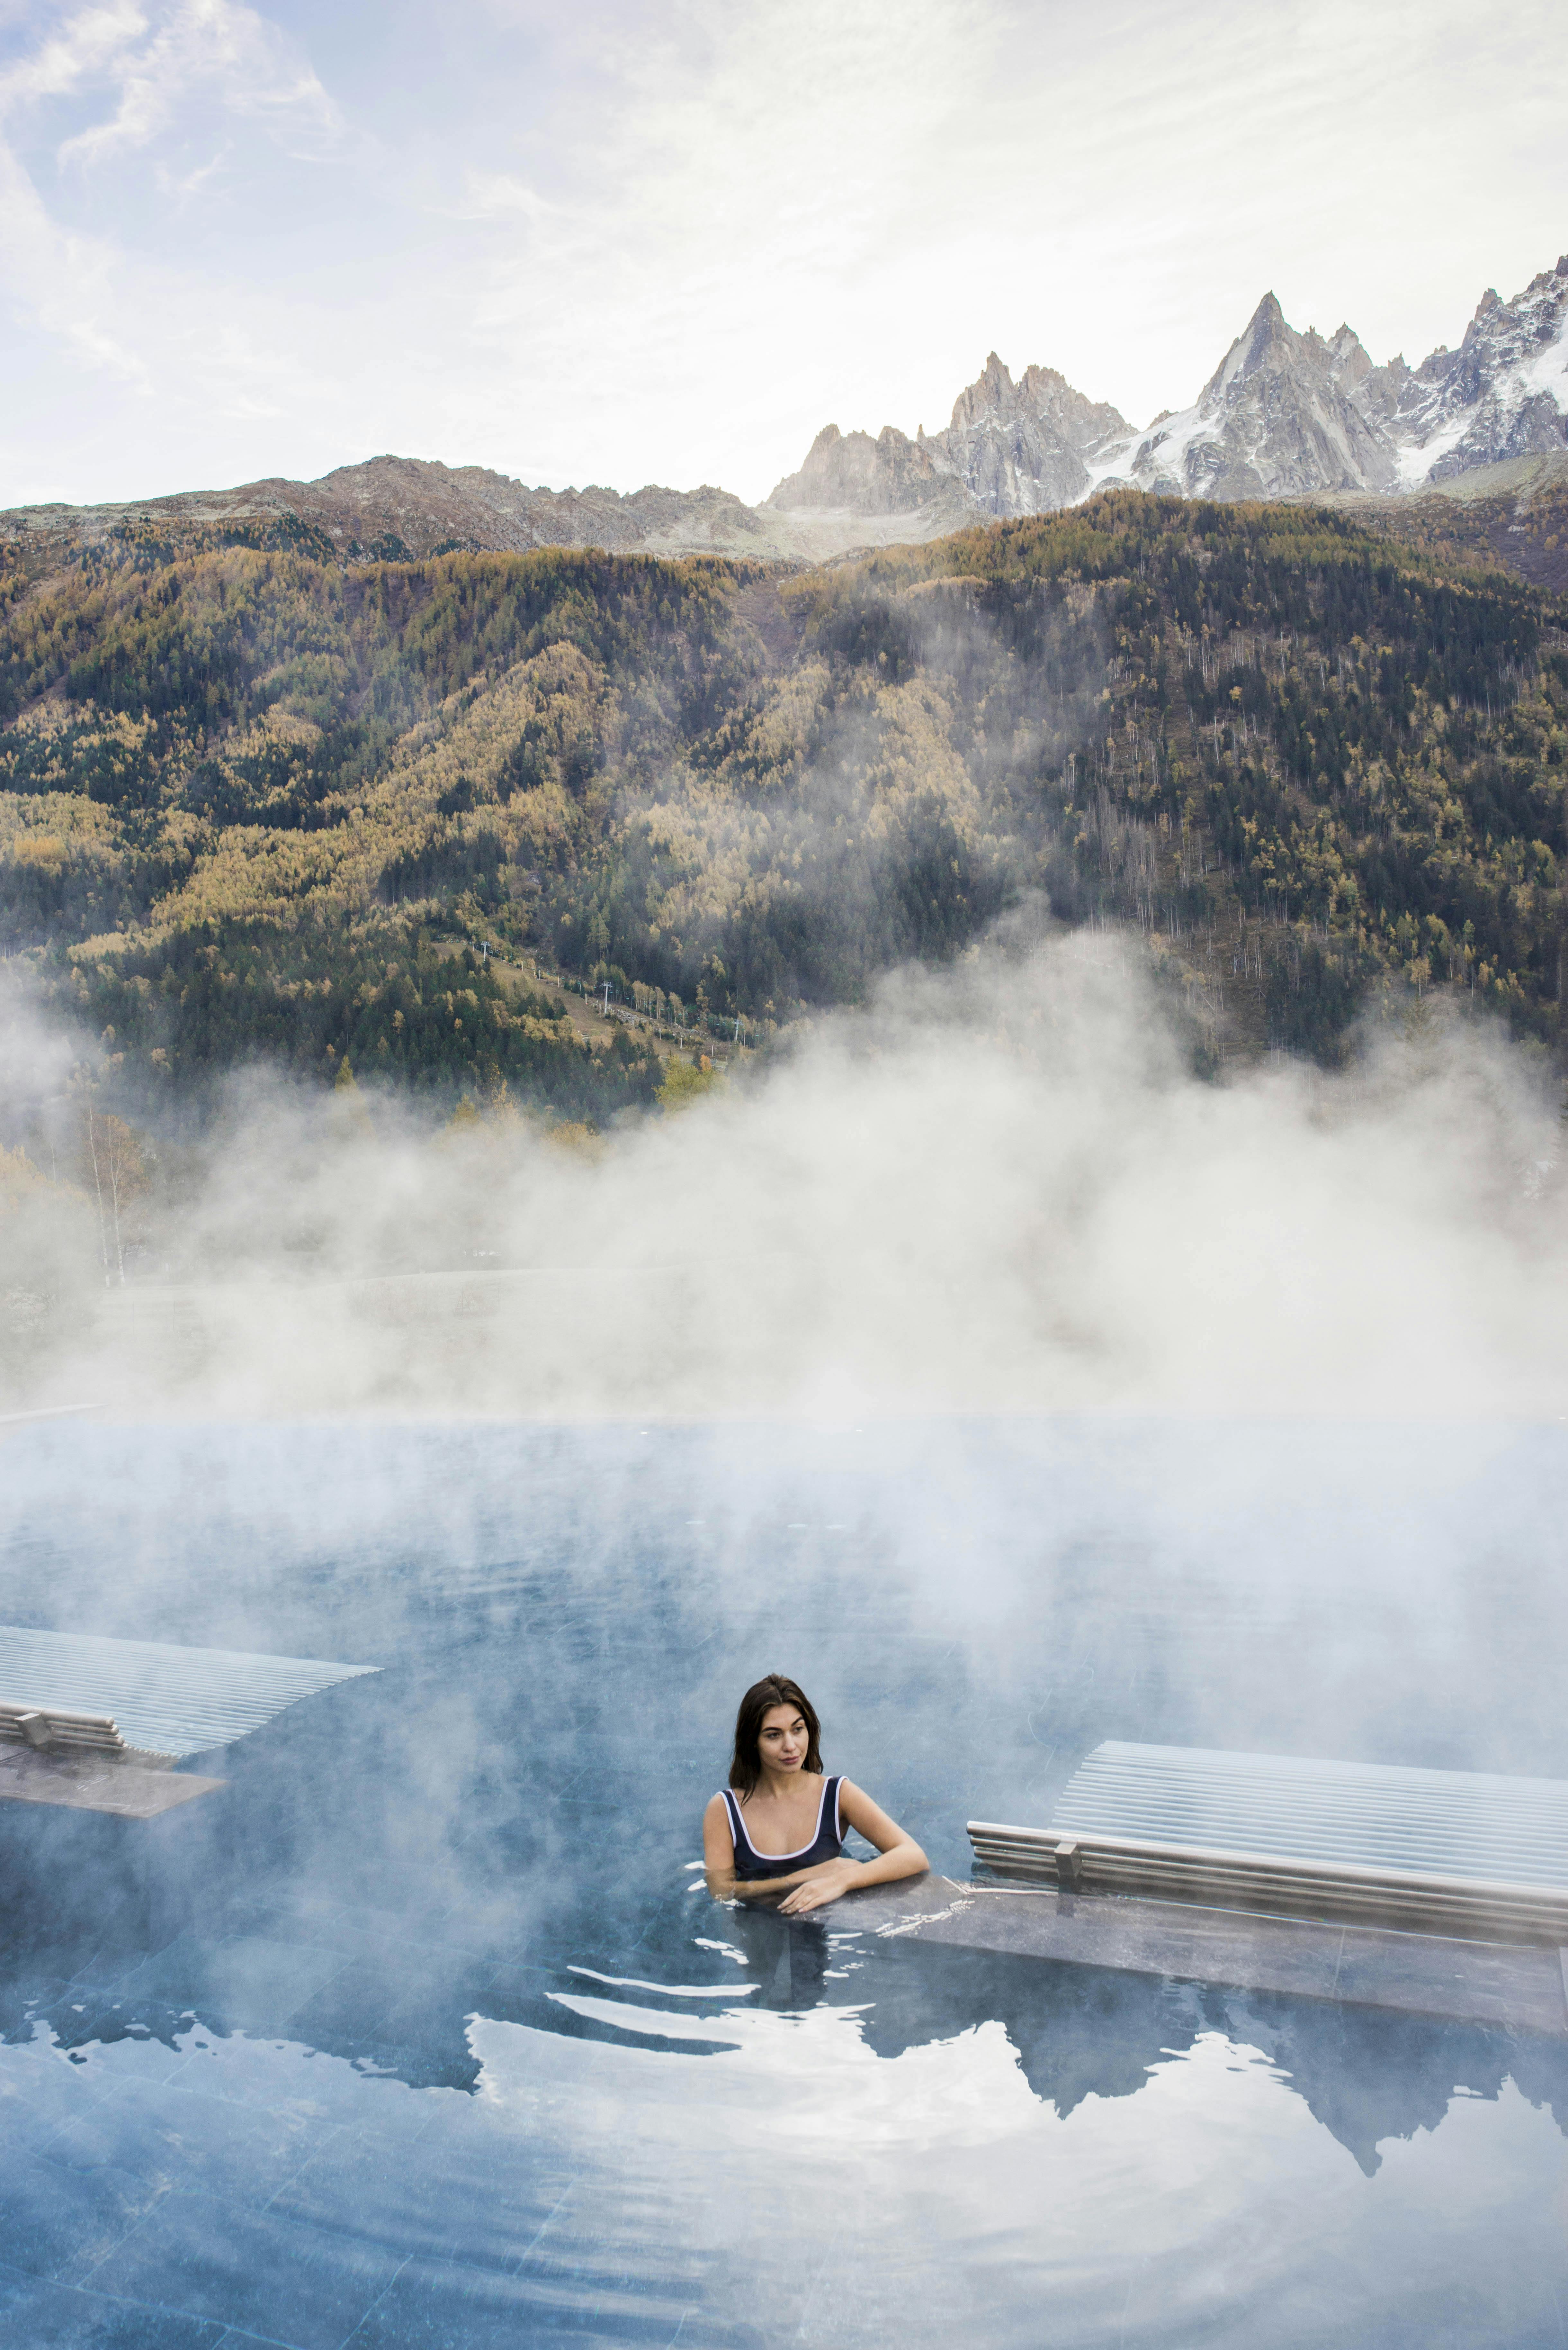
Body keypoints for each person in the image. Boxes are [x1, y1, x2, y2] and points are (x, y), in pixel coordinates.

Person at [703, 1672, 928, 1914]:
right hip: (758, 1935)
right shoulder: (725, 1809)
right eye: (773, 1735)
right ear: (752, 1742)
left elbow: (913, 1856)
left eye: (797, 1729)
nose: (790, 1746)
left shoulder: (836, 1795)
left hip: (823, 1932)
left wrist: (841, 1880)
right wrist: (805, 1877)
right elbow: (721, 1891)